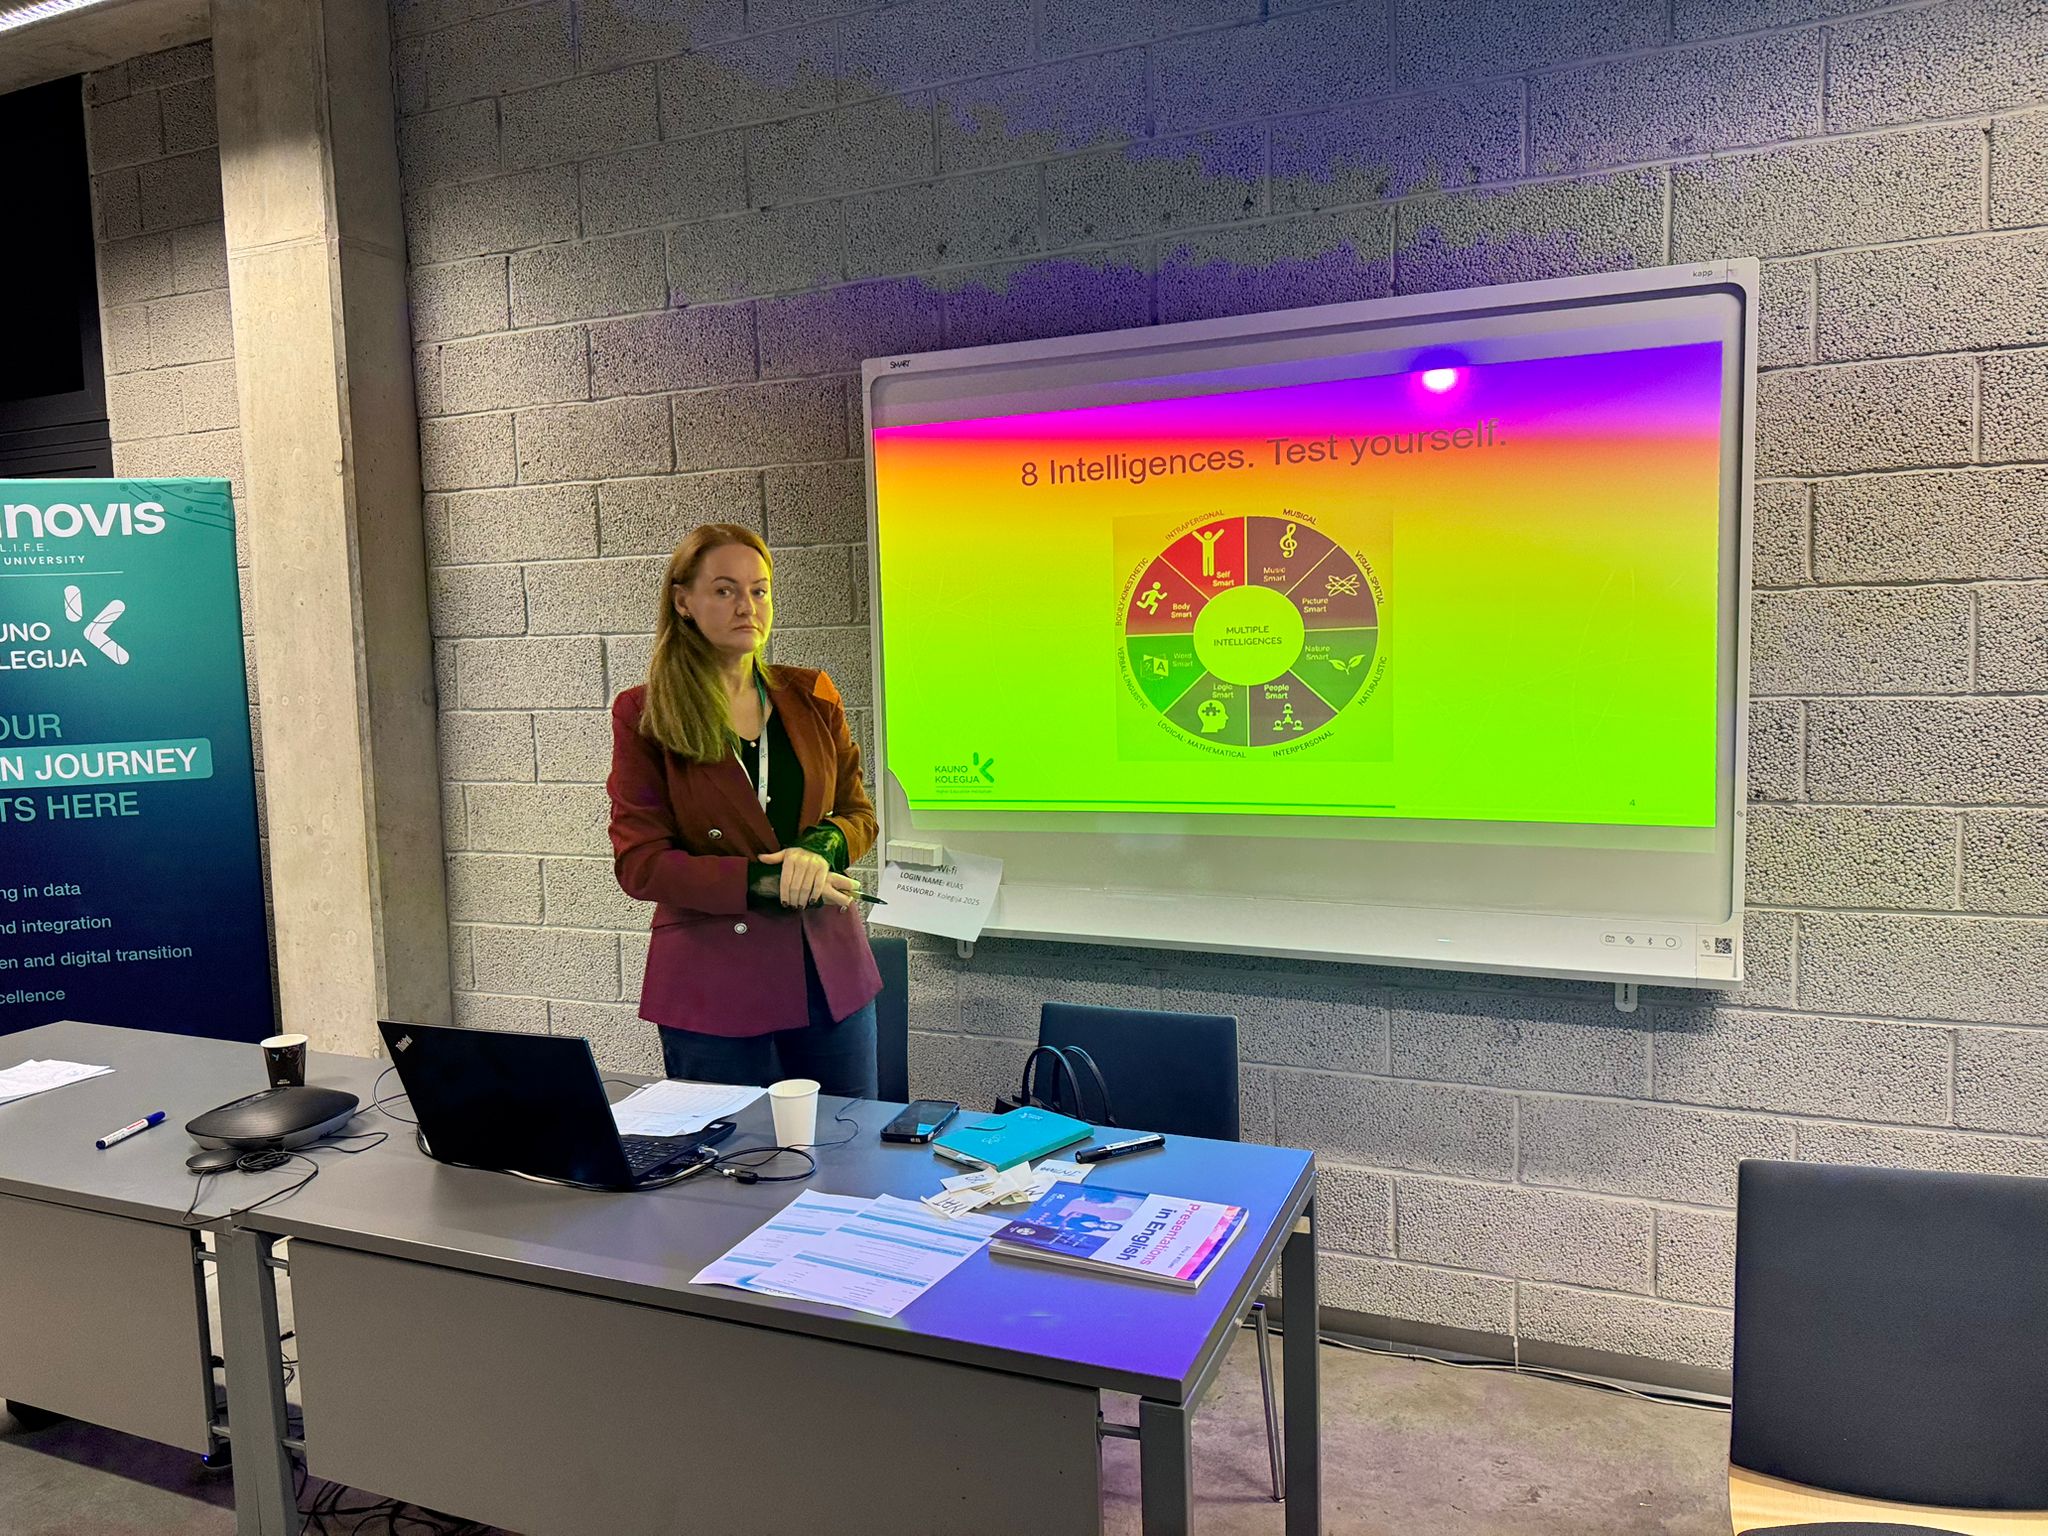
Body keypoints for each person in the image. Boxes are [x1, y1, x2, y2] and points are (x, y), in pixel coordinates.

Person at [606, 524, 882, 1099]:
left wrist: (820, 849)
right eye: (724, 590)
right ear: (683, 601)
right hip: (714, 981)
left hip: (828, 973)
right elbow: (641, 864)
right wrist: (765, 880)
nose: (746, 606)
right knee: (733, 1150)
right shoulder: (645, 713)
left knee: (848, 1143)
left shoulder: (813, 695)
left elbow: (857, 812)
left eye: (759, 590)